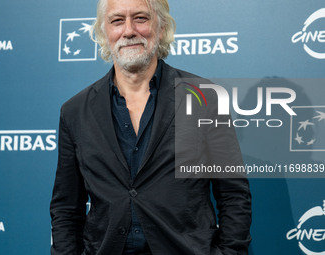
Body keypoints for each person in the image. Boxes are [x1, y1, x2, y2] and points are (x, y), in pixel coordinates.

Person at [50, 0, 252, 254]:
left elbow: (234, 195)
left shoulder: (204, 98)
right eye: (116, 20)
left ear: (162, 26)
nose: (129, 30)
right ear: (103, 32)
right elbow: (66, 208)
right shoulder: (75, 111)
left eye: (141, 18)